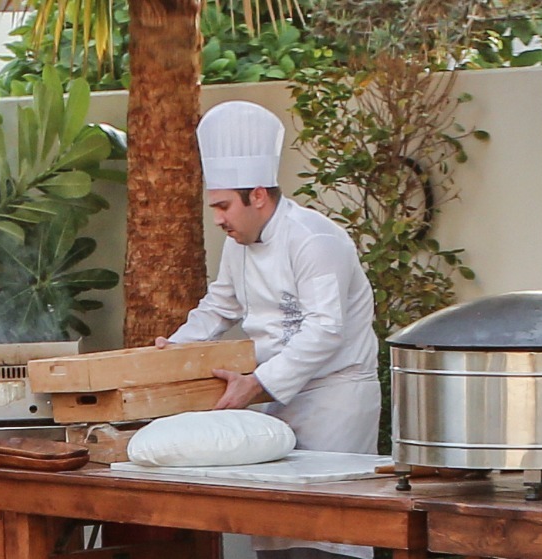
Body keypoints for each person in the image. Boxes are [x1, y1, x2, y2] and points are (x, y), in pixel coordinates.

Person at [153, 101, 379, 559]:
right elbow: (218, 306)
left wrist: (258, 384)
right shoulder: (237, 244)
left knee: (324, 539)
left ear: (258, 195)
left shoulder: (315, 241)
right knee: (274, 536)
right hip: (272, 396)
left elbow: (325, 330)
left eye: (223, 206)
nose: (217, 218)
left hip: (333, 401)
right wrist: (172, 351)